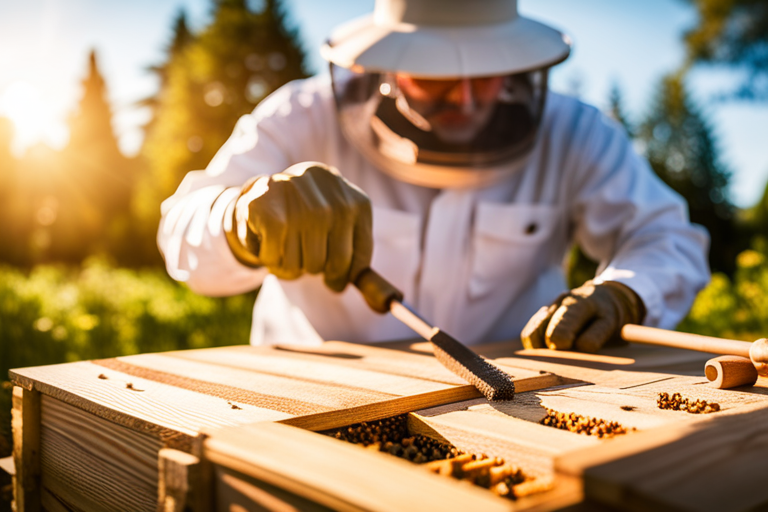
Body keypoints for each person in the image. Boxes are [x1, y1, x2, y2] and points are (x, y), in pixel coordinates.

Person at [158, 0, 710, 351]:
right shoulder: (301, 116)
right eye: (436, 75)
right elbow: (181, 233)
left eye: (489, 72)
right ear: (388, 64)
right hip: (304, 402)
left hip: (511, 408)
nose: (466, 97)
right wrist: (240, 216)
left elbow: (667, 239)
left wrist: (625, 293)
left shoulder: (577, 132)